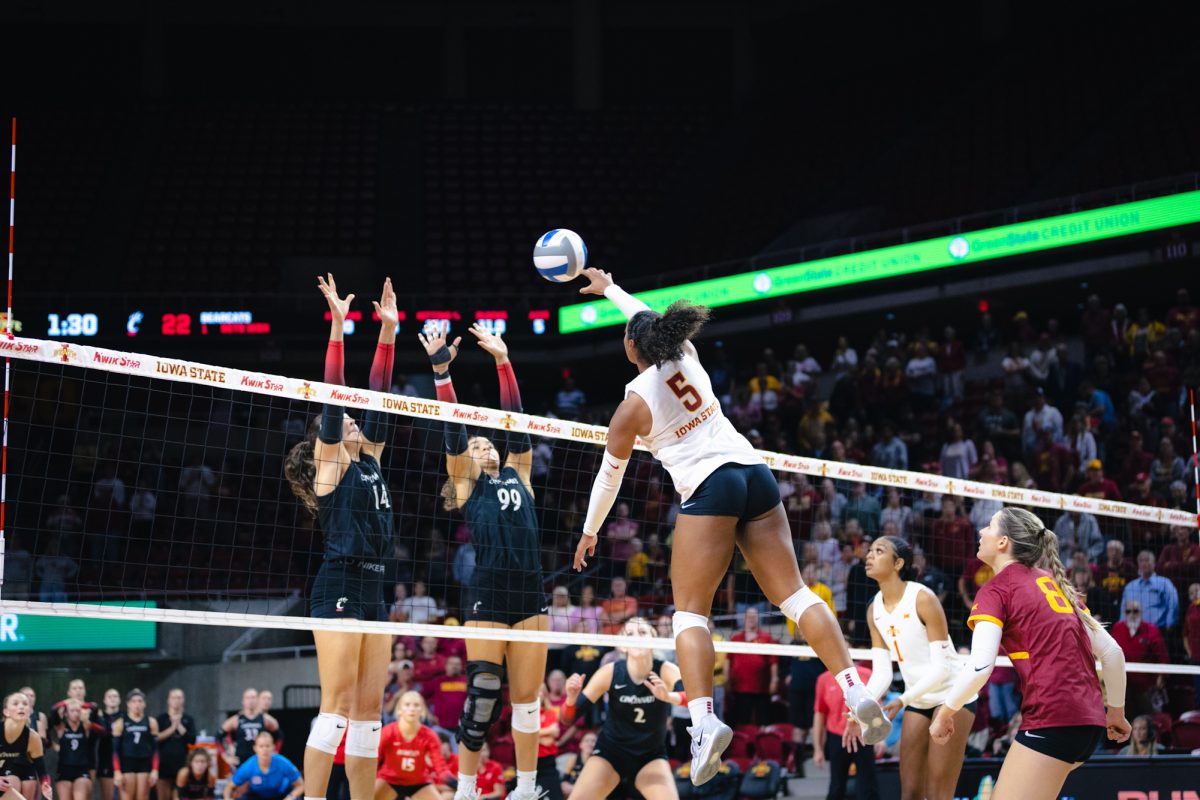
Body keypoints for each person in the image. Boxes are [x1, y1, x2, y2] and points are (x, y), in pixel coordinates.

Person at [571, 269, 889, 786]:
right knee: (796, 595)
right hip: (754, 473)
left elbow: (609, 481)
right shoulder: (685, 355)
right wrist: (609, 288)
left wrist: (590, 531)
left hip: (709, 486)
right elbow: (644, 320)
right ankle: (855, 687)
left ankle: (703, 722)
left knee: (689, 613)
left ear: (632, 347)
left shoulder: (631, 407)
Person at [420, 322, 548, 800]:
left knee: (528, 703)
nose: (483, 445)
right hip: (489, 594)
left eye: (486, 442)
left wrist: (503, 361)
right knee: (482, 698)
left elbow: (515, 421)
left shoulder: (520, 473)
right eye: (477, 446)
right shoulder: (467, 486)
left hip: (531, 596)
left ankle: (528, 788)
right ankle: (467, 789)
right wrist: (441, 374)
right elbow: (454, 432)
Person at [283, 275, 399, 800]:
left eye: (354, 420)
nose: (352, 420)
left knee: (369, 715)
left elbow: (379, 398)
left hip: (376, 589)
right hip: (339, 587)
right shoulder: (331, 463)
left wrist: (389, 333)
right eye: (343, 420)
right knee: (336, 708)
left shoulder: (369, 459)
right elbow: (335, 396)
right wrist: (337, 325)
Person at [930, 508, 1131, 800]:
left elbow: (980, 668)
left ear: (1003, 542)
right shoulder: (1056, 584)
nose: (981, 531)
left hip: (1053, 720)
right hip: (1088, 723)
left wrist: (945, 712)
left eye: (989, 526)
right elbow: (1112, 653)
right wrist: (1116, 713)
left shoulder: (997, 589)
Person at [862, 536, 974, 800]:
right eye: (869, 551)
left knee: (937, 795)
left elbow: (942, 670)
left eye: (879, 551)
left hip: (953, 697)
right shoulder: (873, 609)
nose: (869, 555)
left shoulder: (923, 598)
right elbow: (882, 673)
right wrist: (859, 708)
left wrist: (901, 700)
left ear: (898, 563)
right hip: (918, 698)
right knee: (910, 793)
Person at [562, 618, 685, 800]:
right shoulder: (610, 672)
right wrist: (571, 698)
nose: (636, 637)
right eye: (630, 634)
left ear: (654, 640)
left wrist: (669, 697)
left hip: (650, 756)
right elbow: (568, 718)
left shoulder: (666, 670)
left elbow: (693, 698)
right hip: (610, 754)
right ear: (623, 647)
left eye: (642, 632)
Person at [812, 662, 877, 800]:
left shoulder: (866, 674)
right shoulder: (823, 679)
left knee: (868, 787)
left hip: (864, 736)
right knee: (836, 787)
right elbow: (819, 714)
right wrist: (817, 748)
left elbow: (877, 708)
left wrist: (880, 739)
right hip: (837, 737)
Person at [375, 692, 452, 800]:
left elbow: (441, 770)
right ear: (399, 710)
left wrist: (458, 785)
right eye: (407, 705)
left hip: (419, 783)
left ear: (423, 710)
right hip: (389, 780)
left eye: (416, 705)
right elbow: (374, 760)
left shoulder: (430, 735)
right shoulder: (388, 732)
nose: (412, 709)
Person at [0, 692, 50, 800]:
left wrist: (45, 784)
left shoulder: (33, 737)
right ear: (6, 712)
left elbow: (41, 769)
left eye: (25, 704)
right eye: (15, 703)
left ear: (29, 711)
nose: (21, 706)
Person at [111, 690, 159, 800]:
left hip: (144, 763)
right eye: (134, 701)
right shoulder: (121, 722)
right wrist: (117, 771)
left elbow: (155, 749)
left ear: (144, 704)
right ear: (128, 704)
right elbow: (115, 750)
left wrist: (155, 769)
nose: (137, 704)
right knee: (127, 796)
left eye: (140, 701)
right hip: (127, 763)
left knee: (142, 797)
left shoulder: (151, 722)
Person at [224, 732, 302, 800]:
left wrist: (291, 797)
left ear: (273, 748)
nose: (265, 749)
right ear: (255, 748)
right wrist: (227, 798)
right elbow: (229, 787)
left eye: (267, 746)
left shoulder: (283, 762)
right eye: (261, 746)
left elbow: (301, 785)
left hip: (281, 794)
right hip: (258, 796)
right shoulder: (249, 766)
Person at [52, 700, 105, 800]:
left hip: (82, 770)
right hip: (64, 770)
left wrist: (82, 705)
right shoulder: (61, 727)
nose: (76, 713)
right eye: (72, 711)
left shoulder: (85, 726)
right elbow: (54, 710)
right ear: (66, 713)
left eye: (78, 711)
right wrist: (66, 702)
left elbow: (95, 708)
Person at [156, 689, 196, 800]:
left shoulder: (188, 719)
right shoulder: (161, 719)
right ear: (169, 700)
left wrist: (179, 725)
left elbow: (192, 740)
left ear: (183, 700)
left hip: (182, 764)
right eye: (173, 698)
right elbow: (155, 738)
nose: (176, 701)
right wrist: (172, 727)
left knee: (179, 796)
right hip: (163, 765)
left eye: (179, 698)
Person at [222, 690, 279, 768]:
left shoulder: (265, 718)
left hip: (259, 761)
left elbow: (279, 735)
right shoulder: (237, 718)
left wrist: (275, 751)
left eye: (253, 698)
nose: (250, 701)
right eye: (248, 698)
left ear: (257, 700)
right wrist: (228, 751)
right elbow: (221, 735)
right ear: (243, 701)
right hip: (241, 761)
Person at [96, 688, 122, 800]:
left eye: (115, 696)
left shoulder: (125, 716)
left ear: (120, 700)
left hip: (124, 760)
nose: (112, 699)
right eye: (109, 696)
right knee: (108, 796)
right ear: (104, 700)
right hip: (106, 759)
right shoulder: (99, 716)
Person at [559, 730, 596, 799]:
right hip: (572, 793)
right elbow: (564, 781)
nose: (590, 743)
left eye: (593, 741)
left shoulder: (598, 763)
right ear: (580, 744)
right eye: (587, 741)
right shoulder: (573, 759)